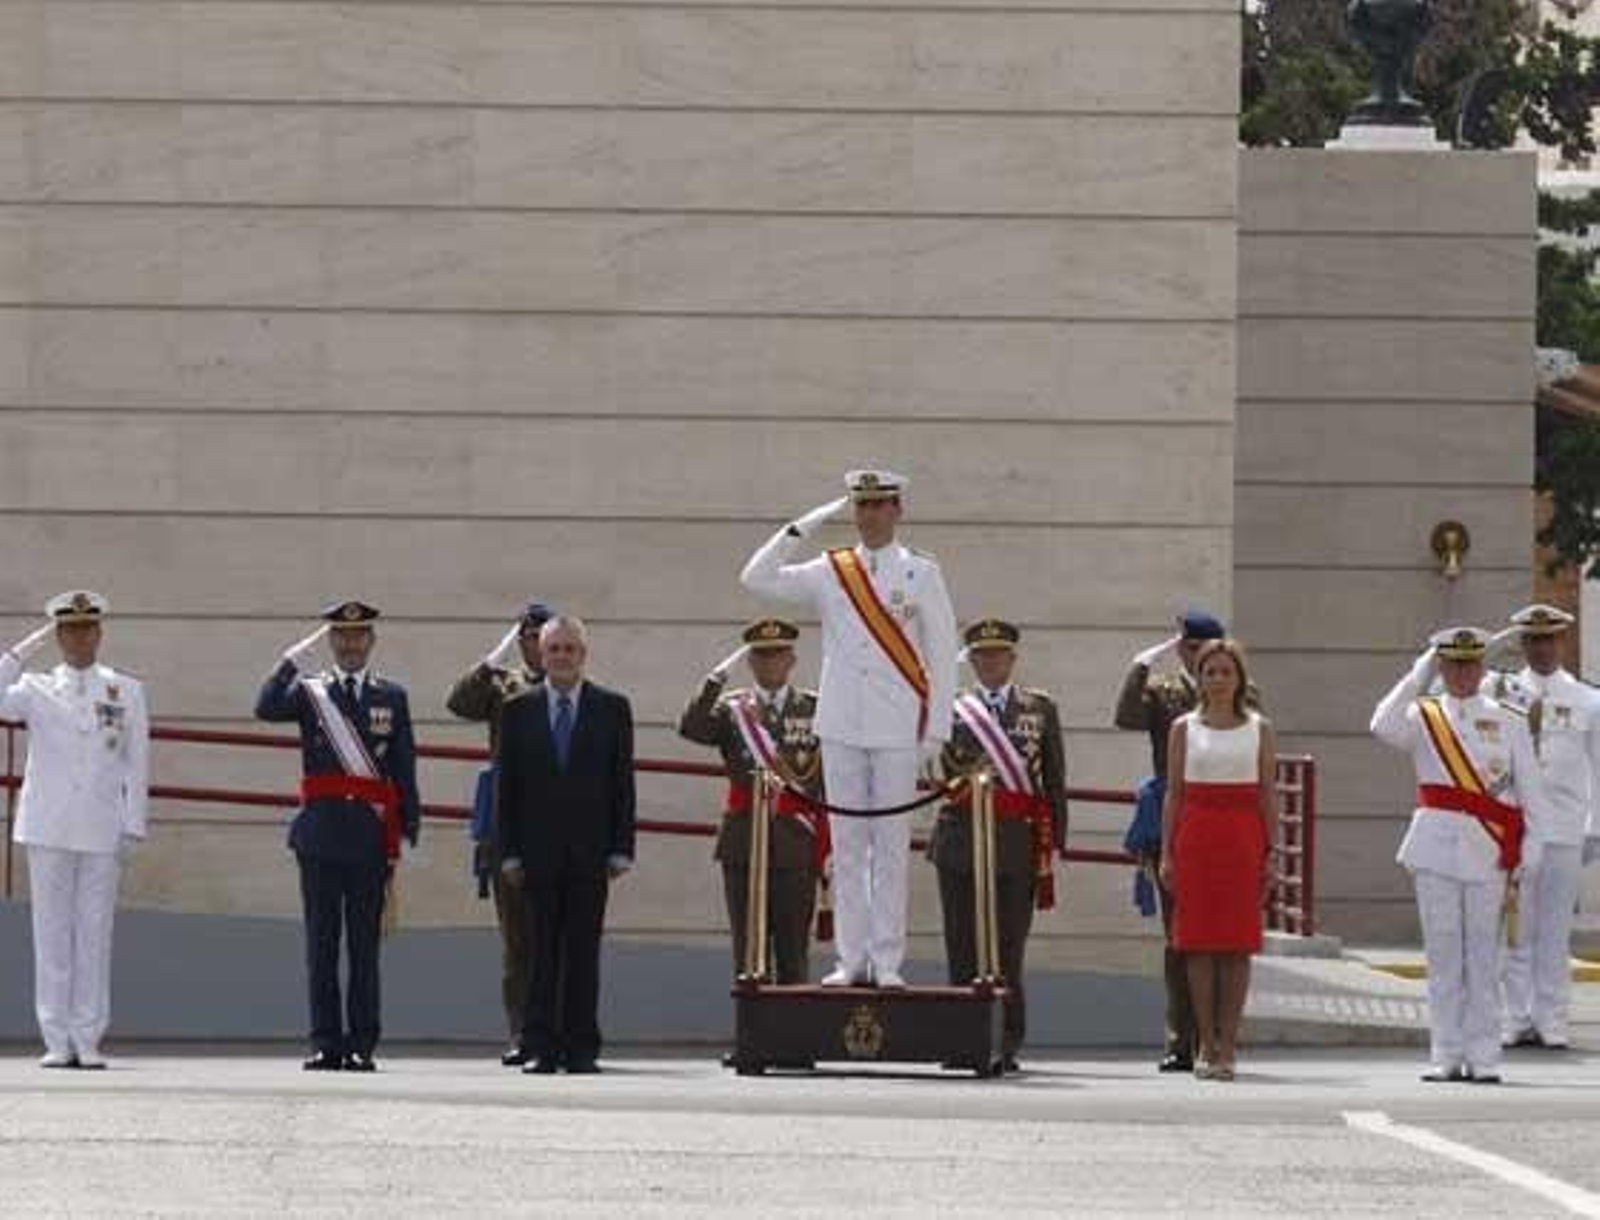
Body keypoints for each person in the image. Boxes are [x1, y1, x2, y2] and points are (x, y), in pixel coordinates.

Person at [740, 469, 959, 988]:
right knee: (846, 843)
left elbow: (943, 652)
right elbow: (755, 577)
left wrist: (938, 729)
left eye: (880, 505)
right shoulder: (832, 569)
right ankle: (851, 959)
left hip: (897, 723)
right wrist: (805, 525)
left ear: (897, 510)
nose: (869, 515)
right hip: (841, 722)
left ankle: (886, 962)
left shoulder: (920, 573)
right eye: (862, 506)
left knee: (889, 845)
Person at [1371, 626, 1552, 1084]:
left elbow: (1531, 790)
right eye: (1452, 663)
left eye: (1470, 663)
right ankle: (1446, 1053)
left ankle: (1485, 1055)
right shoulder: (1422, 714)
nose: (1462, 673)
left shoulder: (1508, 717)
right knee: (1443, 952)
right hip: (1435, 846)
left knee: (1483, 956)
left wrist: (1531, 849)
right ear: (1442, 666)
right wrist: (1418, 672)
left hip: (1490, 847)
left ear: (1482, 666)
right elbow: (1380, 725)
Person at [254, 600, 421, 1072]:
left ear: (371, 641)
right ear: (331, 641)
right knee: (322, 947)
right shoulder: (311, 693)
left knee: (364, 950)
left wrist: (407, 825)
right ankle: (326, 1042)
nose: (351, 644)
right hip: (320, 837)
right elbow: (265, 708)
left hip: (369, 838)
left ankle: (362, 1044)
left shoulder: (392, 696)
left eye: (359, 636)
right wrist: (289, 661)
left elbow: (403, 765)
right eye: (342, 637)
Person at [0, 591, 148, 1070]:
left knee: (94, 934)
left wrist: (133, 824)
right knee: (51, 935)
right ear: (58, 635)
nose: (79, 638)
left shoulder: (125, 689)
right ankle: (56, 1038)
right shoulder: (34, 686)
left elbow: (136, 762)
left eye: (87, 628)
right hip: (47, 824)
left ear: (99, 633)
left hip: (102, 826)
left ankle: (88, 1037)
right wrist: (18, 652)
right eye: (69, 629)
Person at [497, 616, 636, 1074]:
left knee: (582, 951)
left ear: (583, 655)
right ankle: (539, 1045)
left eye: (569, 649)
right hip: (535, 854)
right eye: (553, 648)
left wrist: (621, 848)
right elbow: (507, 789)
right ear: (540, 654)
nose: (560, 657)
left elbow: (621, 784)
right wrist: (509, 852)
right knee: (539, 953)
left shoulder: (612, 708)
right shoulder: (517, 710)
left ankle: (580, 1047)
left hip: (590, 852)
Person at [930, 618, 1068, 1071]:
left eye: (999, 654)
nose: (990, 662)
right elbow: (935, 769)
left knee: (1009, 945)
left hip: (1016, 841)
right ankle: (961, 1038)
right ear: (971, 660)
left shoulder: (1040, 708)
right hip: (960, 835)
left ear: (1012, 658)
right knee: (962, 943)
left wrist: (1056, 845)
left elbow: (1054, 781)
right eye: (981, 655)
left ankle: (1006, 1040)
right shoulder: (948, 707)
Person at [1114, 609, 1241, 1073]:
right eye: (1187, 648)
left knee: (1222, 935)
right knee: (1177, 936)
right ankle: (1179, 1039)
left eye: (1201, 648)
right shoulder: (1164, 692)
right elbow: (1126, 717)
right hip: (1173, 811)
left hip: (1223, 816)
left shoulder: (1244, 694)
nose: (1193, 656)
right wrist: (1140, 667)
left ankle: (1219, 1038)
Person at [678, 618, 825, 985]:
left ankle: (794, 1040)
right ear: (751, 662)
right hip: (743, 842)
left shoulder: (814, 708)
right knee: (748, 950)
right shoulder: (732, 709)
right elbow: (692, 728)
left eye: (778, 654)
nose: (770, 662)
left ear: (791, 659)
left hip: (796, 841)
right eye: (761, 656)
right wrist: (713, 684)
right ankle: (752, 1041)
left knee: (793, 950)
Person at [1158, 639, 1277, 1082]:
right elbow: (1174, 793)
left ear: (1239, 677)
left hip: (1242, 835)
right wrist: (1167, 852)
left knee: (1236, 946)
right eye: (1210, 672)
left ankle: (1229, 1044)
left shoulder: (1260, 728)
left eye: (1227, 672)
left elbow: (1267, 792)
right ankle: (1205, 1041)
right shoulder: (1183, 728)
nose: (1219, 680)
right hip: (1196, 835)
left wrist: (1271, 850)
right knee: (1199, 945)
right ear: (1200, 679)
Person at [1485, 604, 1599, 1051]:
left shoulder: (1587, 699)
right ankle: (1516, 1017)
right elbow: (1441, 688)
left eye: (1549, 639)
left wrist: (1595, 827)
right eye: (1531, 640)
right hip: (1516, 828)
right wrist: (1495, 645)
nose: (1541, 649)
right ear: (1522, 644)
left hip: (1565, 829)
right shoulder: (1501, 691)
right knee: (1516, 928)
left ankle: (1551, 1018)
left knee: (1553, 932)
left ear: (1562, 642)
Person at [446, 601, 552, 1065]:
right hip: (509, 824)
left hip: (559, 824)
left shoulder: (573, 690)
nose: (535, 648)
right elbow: (459, 703)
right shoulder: (502, 686)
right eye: (527, 639)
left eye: (542, 639)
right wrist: (491, 660)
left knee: (560, 938)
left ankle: (558, 1028)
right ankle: (522, 1033)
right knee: (518, 942)